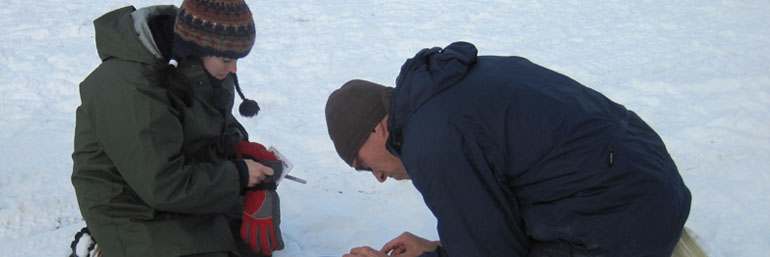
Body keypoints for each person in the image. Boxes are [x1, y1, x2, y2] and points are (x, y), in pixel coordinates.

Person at [325, 42, 694, 257]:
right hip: (649, 182)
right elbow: (494, 225)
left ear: (378, 127)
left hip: (625, 222)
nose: (378, 177)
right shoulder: (443, 92)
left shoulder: (431, 140)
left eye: (362, 163)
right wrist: (437, 249)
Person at [71, 1, 284, 256]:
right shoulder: (129, 86)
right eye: (228, 59)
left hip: (176, 188)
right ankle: (99, 247)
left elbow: (213, 119)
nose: (234, 69)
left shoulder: (195, 66)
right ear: (196, 48)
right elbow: (162, 184)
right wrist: (237, 175)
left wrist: (238, 146)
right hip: (130, 204)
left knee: (257, 237)